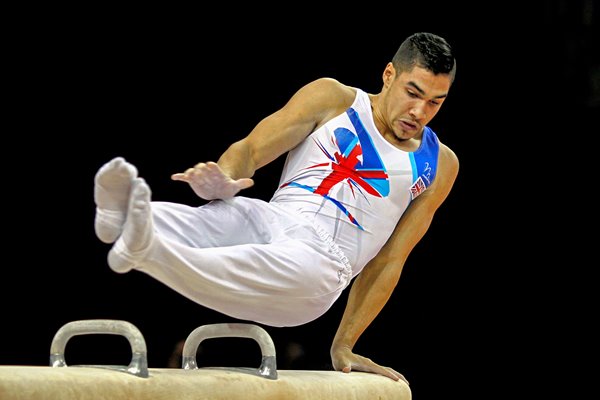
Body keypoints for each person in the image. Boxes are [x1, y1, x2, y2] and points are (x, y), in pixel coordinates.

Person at [93, 32, 458, 384]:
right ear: (389, 74)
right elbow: (250, 150)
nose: (419, 111)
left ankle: (147, 248)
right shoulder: (333, 98)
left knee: (260, 262)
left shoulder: (438, 163)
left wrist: (344, 344)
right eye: (414, 93)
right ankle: (121, 220)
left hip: (322, 266)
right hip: (276, 218)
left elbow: (391, 259)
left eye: (435, 102)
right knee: (224, 216)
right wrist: (223, 177)